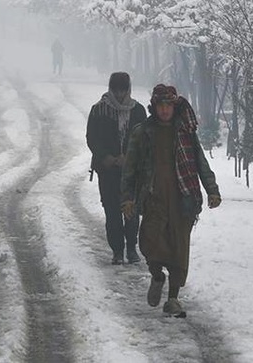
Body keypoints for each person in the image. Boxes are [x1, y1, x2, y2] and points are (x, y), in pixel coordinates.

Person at [121, 84, 221, 318]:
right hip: (153, 199)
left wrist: (212, 190)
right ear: (154, 107)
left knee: (179, 248)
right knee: (149, 242)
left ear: (174, 107)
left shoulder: (185, 132)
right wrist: (127, 198)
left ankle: (173, 298)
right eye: (160, 105)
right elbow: (130, 169)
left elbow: (200, 163)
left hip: (183, 199)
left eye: (168, 105)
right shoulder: (142, 132)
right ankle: (157, 276)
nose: (165, 110)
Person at [87, 72, 147, 265]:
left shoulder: (138, 110)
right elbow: (92, 138)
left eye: (123, 90)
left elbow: (143, 138)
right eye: (116, 90)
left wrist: (129, 158)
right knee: (112, 211)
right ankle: (117, 250)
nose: (120, 94)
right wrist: (107, 158)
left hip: (132, 170)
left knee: (132, 210)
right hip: (107, 170)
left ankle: (131, 247)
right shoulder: (99, 110)